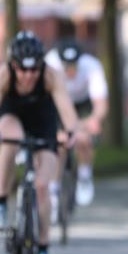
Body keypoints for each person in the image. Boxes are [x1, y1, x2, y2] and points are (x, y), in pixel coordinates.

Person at [0, 31, 78, 254]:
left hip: (43, 124)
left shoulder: (50, 77)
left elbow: (68, 114)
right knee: (9, 137)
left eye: (34, 70)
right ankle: (1, 205)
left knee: (43, 186)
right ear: (14, 65)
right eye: (23, 70)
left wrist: (69, 133)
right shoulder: (3, 76)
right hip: (11, 119)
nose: (29, 76)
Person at [44, 35, 109, 207]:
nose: (70, 70)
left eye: (74, 66)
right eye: (67, 66)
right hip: (57, 101)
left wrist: (95, 119)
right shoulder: (49, 64)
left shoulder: (92, 66)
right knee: (59, 144)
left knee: (83, 139)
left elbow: (100, 104)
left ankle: (85, 176)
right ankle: (54, 187)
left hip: (82, 102)